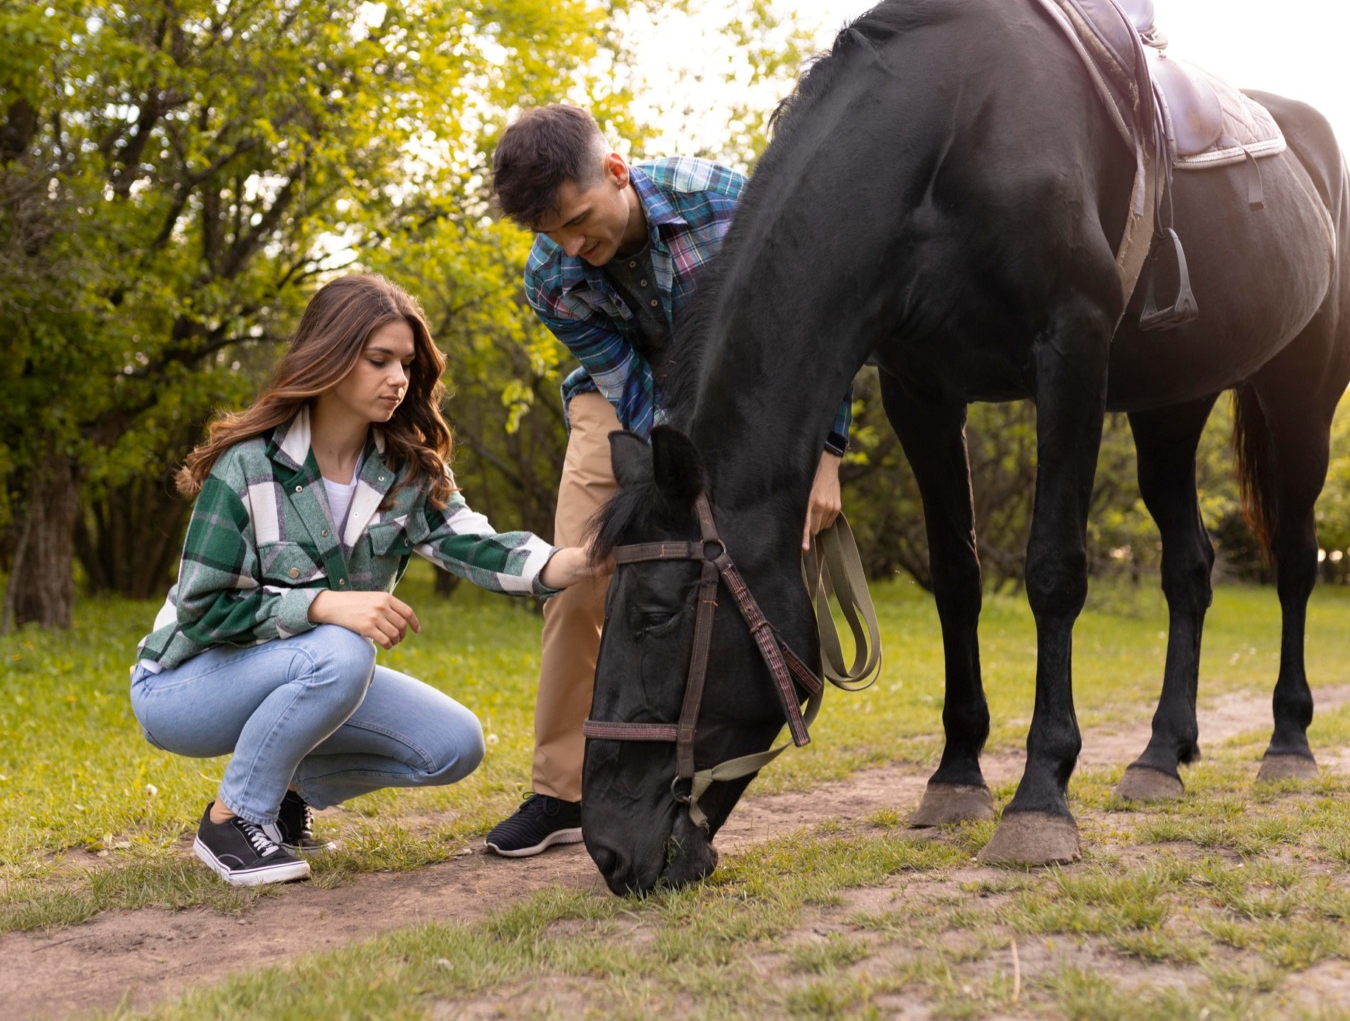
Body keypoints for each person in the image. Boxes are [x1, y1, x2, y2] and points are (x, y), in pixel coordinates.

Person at [132, 274, 602, 886]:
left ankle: (282, 792)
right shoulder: (249, 464)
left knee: (454, 744)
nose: (398, 379)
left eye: (406, 363)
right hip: (185, 684)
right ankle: (233, 821)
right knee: (344, 647)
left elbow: (477, 546)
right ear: (329, 355)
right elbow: (202, 610)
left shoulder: (404, 470)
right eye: (378, 360)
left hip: (311, 671)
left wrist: (574, 561)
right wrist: (323, 604)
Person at [483, 104, 852, 857]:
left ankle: (709, 750)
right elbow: (631, 392)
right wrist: (674, 478)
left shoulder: (724, 201)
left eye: (581, 221)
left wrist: (828, 455)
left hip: (749, 395)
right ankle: (561, 792)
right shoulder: (551, 278)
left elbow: (819, 325)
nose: (574, 248)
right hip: (626, 407)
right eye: (552, 235)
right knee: (580, 574)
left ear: (617, 173)